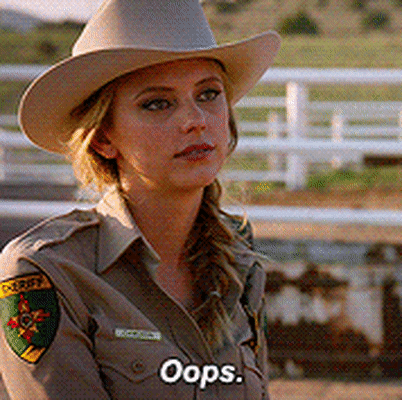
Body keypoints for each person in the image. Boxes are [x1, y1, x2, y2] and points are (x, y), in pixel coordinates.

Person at [0, 0, 281, 398]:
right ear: (103, 138)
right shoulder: (47, 273)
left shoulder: (239, 260)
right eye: (157, 103)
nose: (196, 120)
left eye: (208, 94)